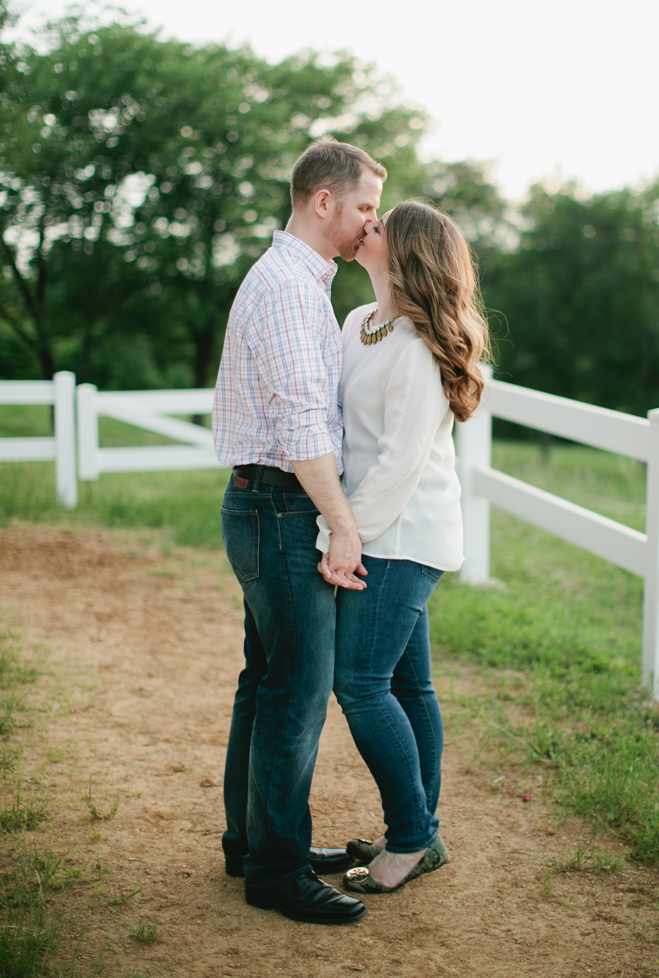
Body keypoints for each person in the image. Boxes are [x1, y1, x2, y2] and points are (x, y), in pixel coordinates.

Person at [212, 137, 386, 925]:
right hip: (282, 508)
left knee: (268, 681)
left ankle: (254, 843)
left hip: (269, 504)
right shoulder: (288, 288)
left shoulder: (295, 281)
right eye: (363, 209)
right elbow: (301, 427)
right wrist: (341, 526)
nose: (368, 226)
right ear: (324, 202)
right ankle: (276, 870)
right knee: (297, 691)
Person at [316, 200, 489, 894]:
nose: (367, 226)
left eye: (381, 224)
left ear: (407, 252)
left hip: (401, 536)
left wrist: (340, 536)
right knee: (408, 685)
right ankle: (422, 833)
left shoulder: (419, 347)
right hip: (374, 528)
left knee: (358, 683)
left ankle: (411, 835)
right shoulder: (360, 322)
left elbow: (397, 464)